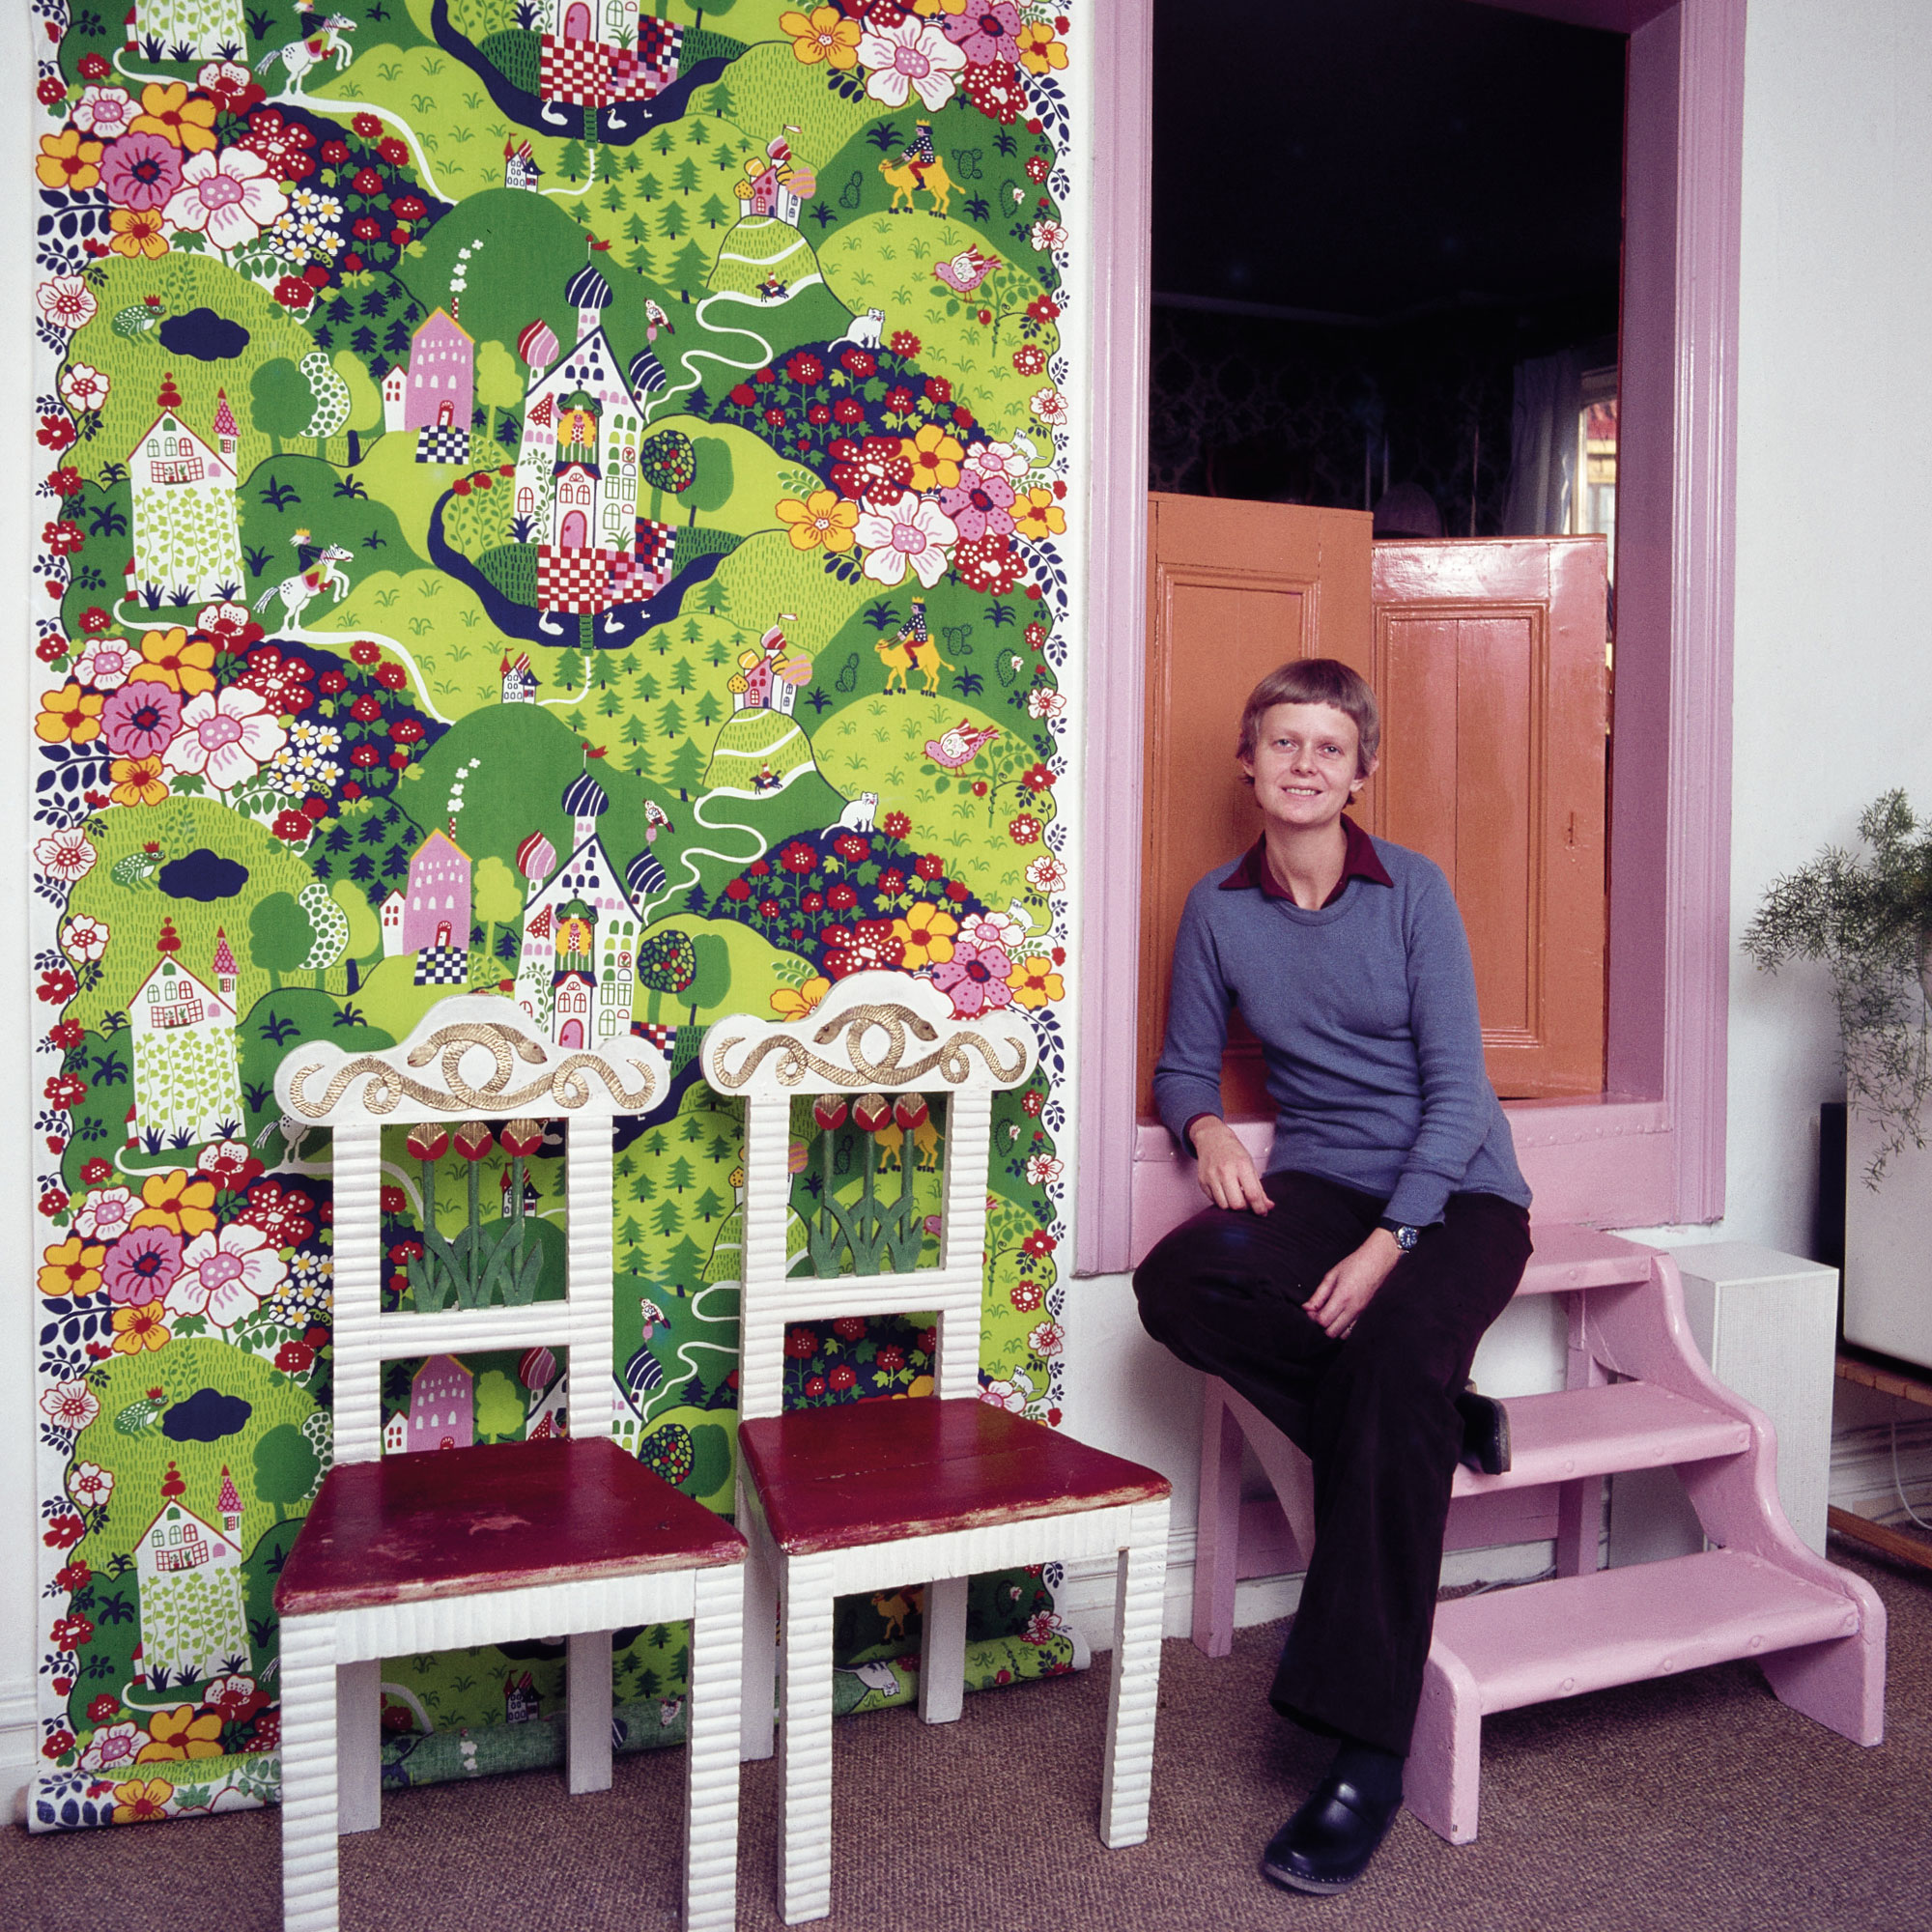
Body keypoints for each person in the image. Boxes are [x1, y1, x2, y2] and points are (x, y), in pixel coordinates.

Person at [1132, 657, 1533, 1895]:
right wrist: (1200, 1130)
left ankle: (1363, 1751)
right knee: (1179, 1283)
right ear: (1245, 764)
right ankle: (1428, 1412)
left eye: (1327, 747)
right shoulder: (1217, 908)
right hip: (1319, 1187)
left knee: (1397, 1360)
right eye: (1281, 743)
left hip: (1456, 1191)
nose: (1303, 764)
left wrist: (1390, 1241)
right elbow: (1181, 1069)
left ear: (1360, 772)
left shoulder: (1411, 890)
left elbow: (1460, 1091)